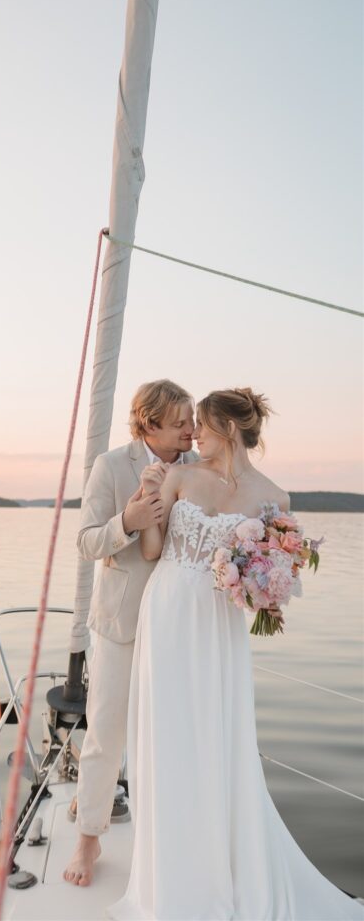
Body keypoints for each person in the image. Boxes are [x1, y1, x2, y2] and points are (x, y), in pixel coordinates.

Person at [105, 388, 364, 920]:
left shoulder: (275, 499)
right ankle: (172, 877)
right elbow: (153, 551)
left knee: (217, 736)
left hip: (219, 624)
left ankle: (223, 869)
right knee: (171, 735)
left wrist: (266, 586)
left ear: (226, 426)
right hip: (169, 612)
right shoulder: (177, 475)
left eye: (200, 423)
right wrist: (146, 499)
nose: (193, 433)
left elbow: (272, 571)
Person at [63, 379, 198, 887]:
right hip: (122, 622)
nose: (191, 428)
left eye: (191, 420)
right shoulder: (110, 465)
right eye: (181, 421)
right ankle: (88, 838)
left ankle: (167, 838)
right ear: (149, 423)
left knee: (171, 735)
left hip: (180, 625)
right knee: (106, 734)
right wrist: (129, 520)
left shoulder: (201, 470)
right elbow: (86, 542)